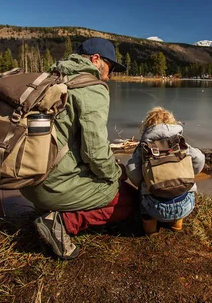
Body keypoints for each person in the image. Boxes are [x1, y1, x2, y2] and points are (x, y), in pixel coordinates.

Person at [20, 37, 134, 260]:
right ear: (96, 59)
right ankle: (60, 223)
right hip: (51, 186)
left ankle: (48, 209)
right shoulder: (91, 88)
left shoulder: (52, 78)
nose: (109, 76)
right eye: (110, 67)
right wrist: (116, 174)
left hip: (27, 180)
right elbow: (95, 153)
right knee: (126, 198)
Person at [126, 107, 205, 235]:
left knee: (142, 190)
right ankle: (176, 224)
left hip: (155, 208)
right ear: (172, 124)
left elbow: (132, 171)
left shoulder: (144, 147)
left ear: (147, 126)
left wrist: (144, 181)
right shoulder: (179, 143)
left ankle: (151, 230)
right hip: (186, 205)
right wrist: (189, 173)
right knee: (184, 189)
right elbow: (200, 159)